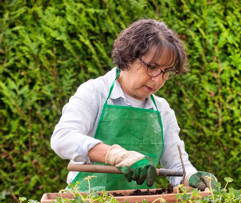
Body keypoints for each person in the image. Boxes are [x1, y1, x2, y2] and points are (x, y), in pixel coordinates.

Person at [50, 19, 217, 192]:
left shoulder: (162, 110)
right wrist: (117, 156)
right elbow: (63, 138)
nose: (158, 79)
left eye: (166, 72)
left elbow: (176, 165)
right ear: (129, 56)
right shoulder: (95, 92)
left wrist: (192, 177)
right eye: (152, 67)